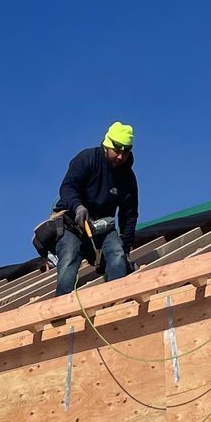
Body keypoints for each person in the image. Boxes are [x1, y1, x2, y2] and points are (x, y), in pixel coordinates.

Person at [51, 121, 139, 296]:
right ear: (107, 145)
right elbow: (67, 187)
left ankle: (117, 300)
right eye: (117, 151)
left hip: (101, 226)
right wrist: (78, 206)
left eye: (125, 152)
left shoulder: (127, 178)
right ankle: (60, 311)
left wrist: (126, 248)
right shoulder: (88, 159)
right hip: (72, 222)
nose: (121, 157)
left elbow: (129, 215)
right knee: (70, 255)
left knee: (116, 252)